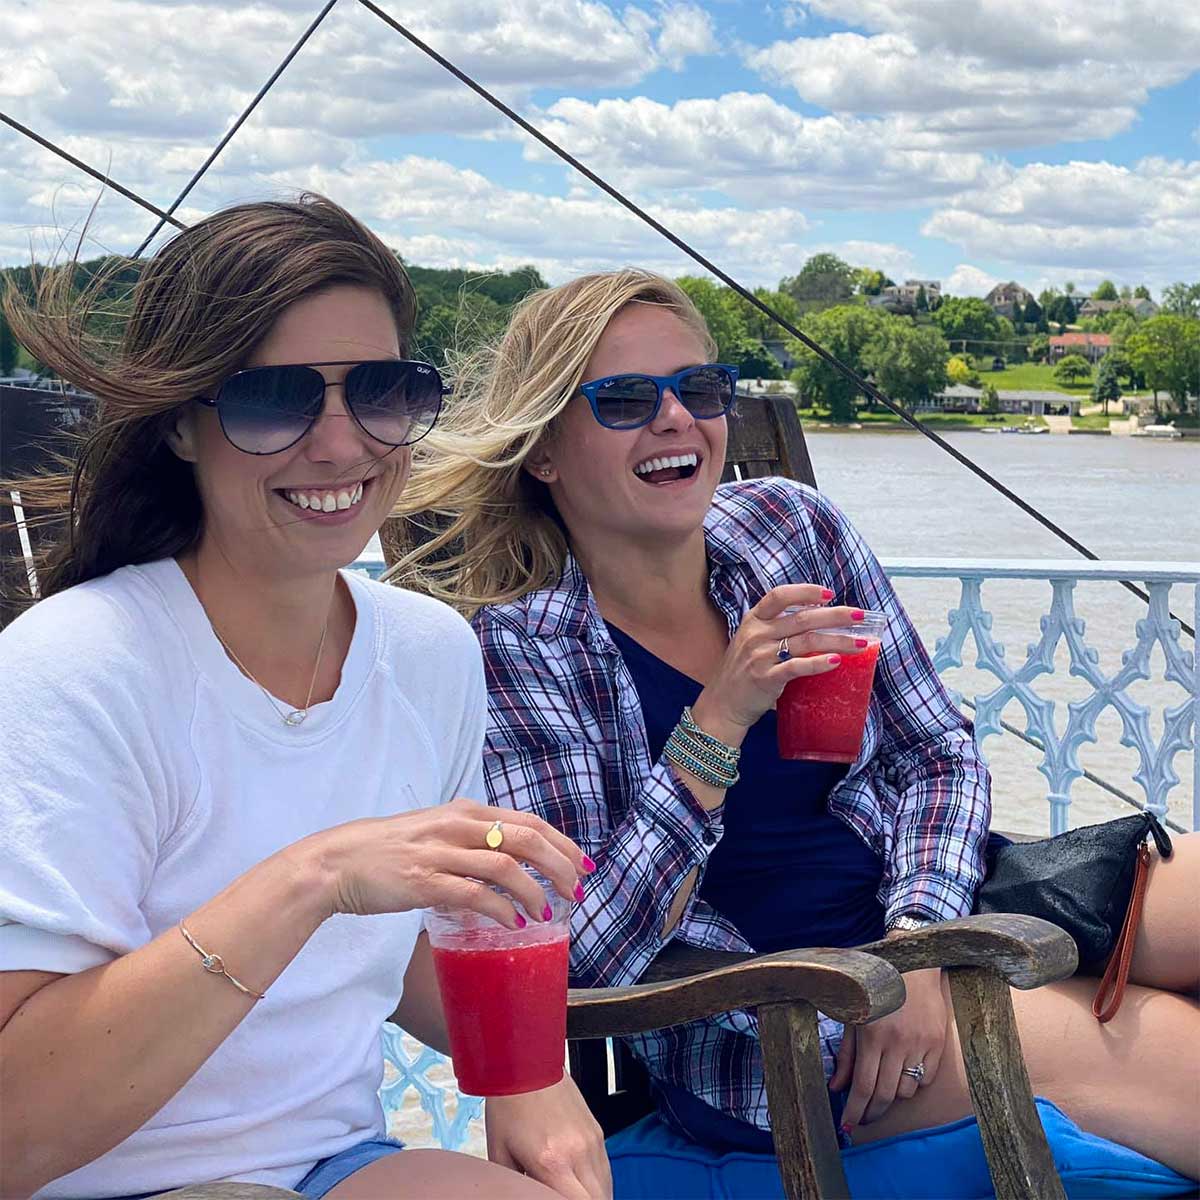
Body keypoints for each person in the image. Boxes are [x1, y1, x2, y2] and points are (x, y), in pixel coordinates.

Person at [394, 268, 1199, 1186]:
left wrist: (920, 947)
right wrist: (716, 721)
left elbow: (937, 751)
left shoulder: (789, 530)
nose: (675, 420)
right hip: (777, 1022)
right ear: (542, 453)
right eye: (623, 400)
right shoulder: (520, 653)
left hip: (929, 912)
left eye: (700, 390)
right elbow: (578, 960)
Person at [0, 196, 610, 1200]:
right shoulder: (77, 668)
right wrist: (315, 876)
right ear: (183, 427)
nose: (340, 445)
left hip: (333, 1165)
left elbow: (409, 954)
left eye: (381, 390)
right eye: (273, 399)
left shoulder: (430, 654)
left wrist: (527, 1071)